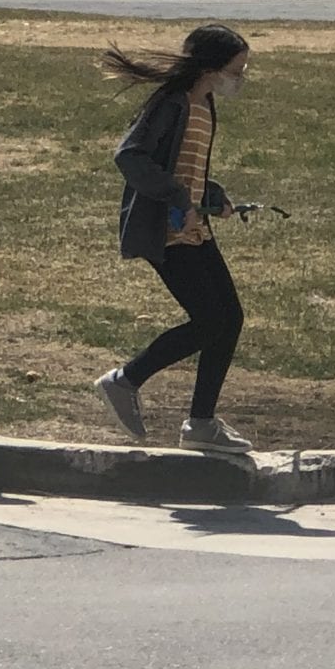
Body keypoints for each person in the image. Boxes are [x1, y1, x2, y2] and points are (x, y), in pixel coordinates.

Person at [94, 24, 255, 455]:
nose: (239, 79)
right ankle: (124, 381)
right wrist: (177, 197)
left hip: (194, 228)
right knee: (209, 321)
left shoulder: (204, 104)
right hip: (166, 231)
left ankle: (201, 424)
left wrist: (213, 196)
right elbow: (129, 156)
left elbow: (188, 166)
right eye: (236, 71)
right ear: (210, 67)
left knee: (229, 318)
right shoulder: (171, 103)